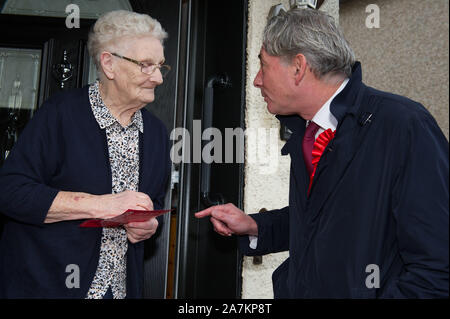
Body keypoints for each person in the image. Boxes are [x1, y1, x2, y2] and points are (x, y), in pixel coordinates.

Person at [196, 8, 449, 298]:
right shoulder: (308, 132)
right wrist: (255, 226)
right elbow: (328, 219)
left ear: (298, 67)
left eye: (264, 66)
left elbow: (437, 269)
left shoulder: (404, 125)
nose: (256, 80)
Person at [0, 10, 171, 298]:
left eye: (160, 66)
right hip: (48, 287)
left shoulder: (155, 133)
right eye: (146, 65)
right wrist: (100, 205)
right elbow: (10, 191)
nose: (157, 78)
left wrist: (149, 226)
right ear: (109, 64)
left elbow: (151, 204)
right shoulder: (61, 114)